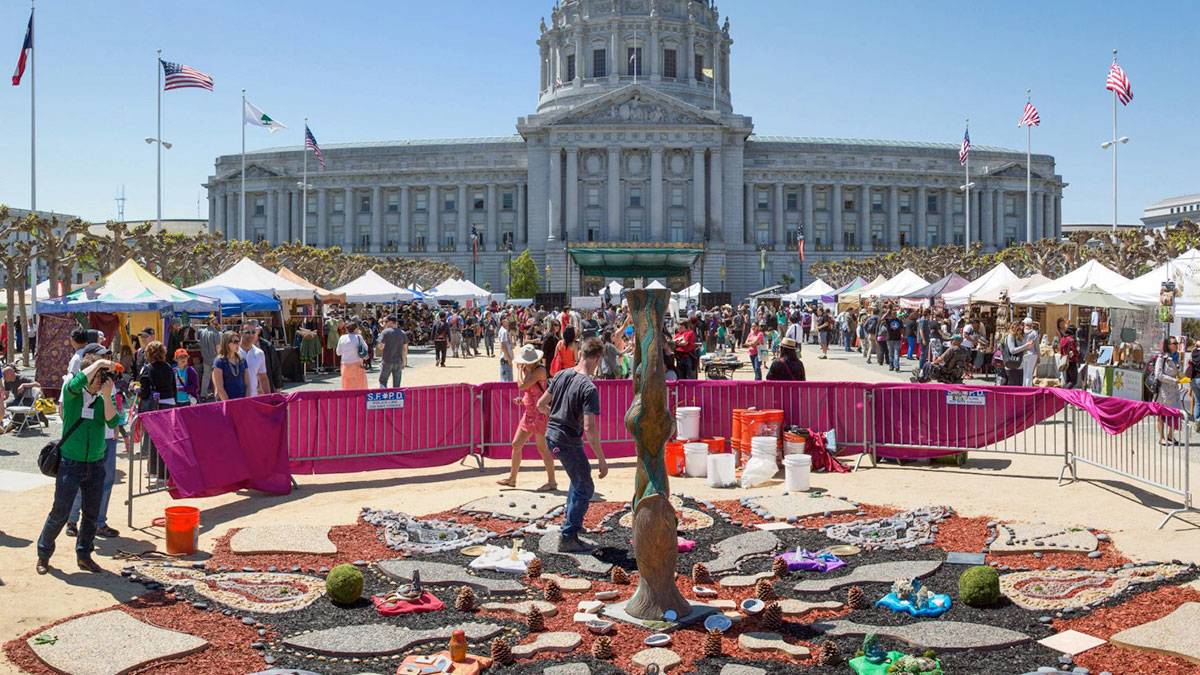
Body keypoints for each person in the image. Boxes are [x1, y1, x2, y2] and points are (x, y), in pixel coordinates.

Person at [36, 353, 119, 575]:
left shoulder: (102, 399)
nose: (102, 378)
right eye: (98, 374)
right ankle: (43, 554)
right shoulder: (72, 394)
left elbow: (113, 421)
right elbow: (74, 383)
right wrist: (99, 363)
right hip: (71, 463)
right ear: (89, 374)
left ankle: (84, 556)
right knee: (60, 512)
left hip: (95, 464)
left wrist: (108, 395)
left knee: (91, 514)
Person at [537, 337, 607, 553]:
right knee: (585, 485)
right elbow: (589, 428)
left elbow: (541, 405)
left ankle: (571, 524)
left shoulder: (562, 374)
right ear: (596, 358)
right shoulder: (589, 388)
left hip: (553, 435)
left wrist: (556, 418)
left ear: (581, 353)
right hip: (568, 440)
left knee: (578, 480)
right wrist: (602, 459)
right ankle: (568, 536)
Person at [498, 344, 558, 491]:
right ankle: (512, 478)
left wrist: (517, 370)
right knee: (516, 444)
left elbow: (522, 385)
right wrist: (523, 400)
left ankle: (552, 482)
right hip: (530, 412)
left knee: (542, 448)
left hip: (540, 413)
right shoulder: (527, 369)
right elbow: (528, 391)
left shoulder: (540, 370)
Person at [137, 340, 177, 482]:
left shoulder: (148, 369)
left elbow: (145, 392)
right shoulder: (169, 367)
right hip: (170, 404)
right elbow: (174, 387)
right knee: (167, 440)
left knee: (155, 439)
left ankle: (156, 472)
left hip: (156, 406)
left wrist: (135, 390)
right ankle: (164, 472)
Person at [1154, 337, 1183, 445]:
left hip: (1174, 391)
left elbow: (1179, 372)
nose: (1176, 344)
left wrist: (1181, 376)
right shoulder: (1162, 357)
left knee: (1175, 413)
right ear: (1168, 345)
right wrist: (1173, 380)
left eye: (1177, 343)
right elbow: (1158, 375)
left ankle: (1170, 435)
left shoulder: (1177, 357)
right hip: (1164, 391)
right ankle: (1161, 437)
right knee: (1161, 414)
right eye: (1174, 343)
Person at [212, 331, 249, 401]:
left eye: (238, 341)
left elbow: (247, 384)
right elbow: (220, 387)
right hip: (227, 402)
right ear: (227, 343)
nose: (238, 344)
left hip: (242, 400)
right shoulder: (219, 361)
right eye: (235, 342)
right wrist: (229, 405)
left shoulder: (243, 360)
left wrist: (246, 400)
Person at [238, 323, 269, 397]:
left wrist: (269, 398)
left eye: (253, 332)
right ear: (240, 333)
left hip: (253, 397)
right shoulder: (233, 352)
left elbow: (263, 378)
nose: (251, 335)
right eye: (247, 332)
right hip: (235, 398)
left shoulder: (259, 353)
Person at [377, 315, 408, 388]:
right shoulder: (402, 333)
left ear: (390, 322)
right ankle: (396, 399)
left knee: (383, 381)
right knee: (397, 384)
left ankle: (384, 398)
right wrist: (404, 361)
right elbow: (405, 349)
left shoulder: (385, 332)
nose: (385, 323)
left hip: (387, 360)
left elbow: (381, 347)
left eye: (386, 322)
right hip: (398, 361)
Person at [336, 321, 369, 389]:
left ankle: (348, 399)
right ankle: (359, 399)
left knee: (347, 384)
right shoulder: (358, 337)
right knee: (359, 384)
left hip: (345, 364)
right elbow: (365, 348)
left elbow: (338, 352)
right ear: (355, 329)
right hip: (357, 363)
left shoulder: (342, 338)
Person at [196, 314, 222, 401]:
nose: (216, 321)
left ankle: (203, 394)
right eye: (215, 320)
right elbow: (218, 347)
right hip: (214, 358)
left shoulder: (202, 332)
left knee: (206, 376)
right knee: (216, 377)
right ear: (211, 322)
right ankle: (216, 394)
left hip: (205, 357)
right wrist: (220, 357)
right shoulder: (215, 332)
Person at [1001, 322, 1028, 386]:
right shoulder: (1010, 336)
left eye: (1022, 329)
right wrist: (1026, 346)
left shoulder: (1019, 337)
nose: (1021, 331)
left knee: (1018, 386)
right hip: (1012, 364)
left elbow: (1021, 349)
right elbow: (1012, 350)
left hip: (1019, 364)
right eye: (1019, 329)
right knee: (1013, 387)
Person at [1021, 318, 1041, 387]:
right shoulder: (1034, 333)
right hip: (1032, 354)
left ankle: (1024, 387)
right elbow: (1037, 346)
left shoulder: (1022, 332)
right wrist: (1039, 356)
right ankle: (1028, 388)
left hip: (1023, 353)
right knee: (1029, 373)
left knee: (1024, 372)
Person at [498, 318, 515, 382]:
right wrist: (509, 359)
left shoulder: (505, 330)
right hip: (506, 360)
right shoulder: (504, 331)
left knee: (506, 381)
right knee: (507, 382)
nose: (508, 321)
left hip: (506, 359)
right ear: (502, 321)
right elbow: (503, 346)